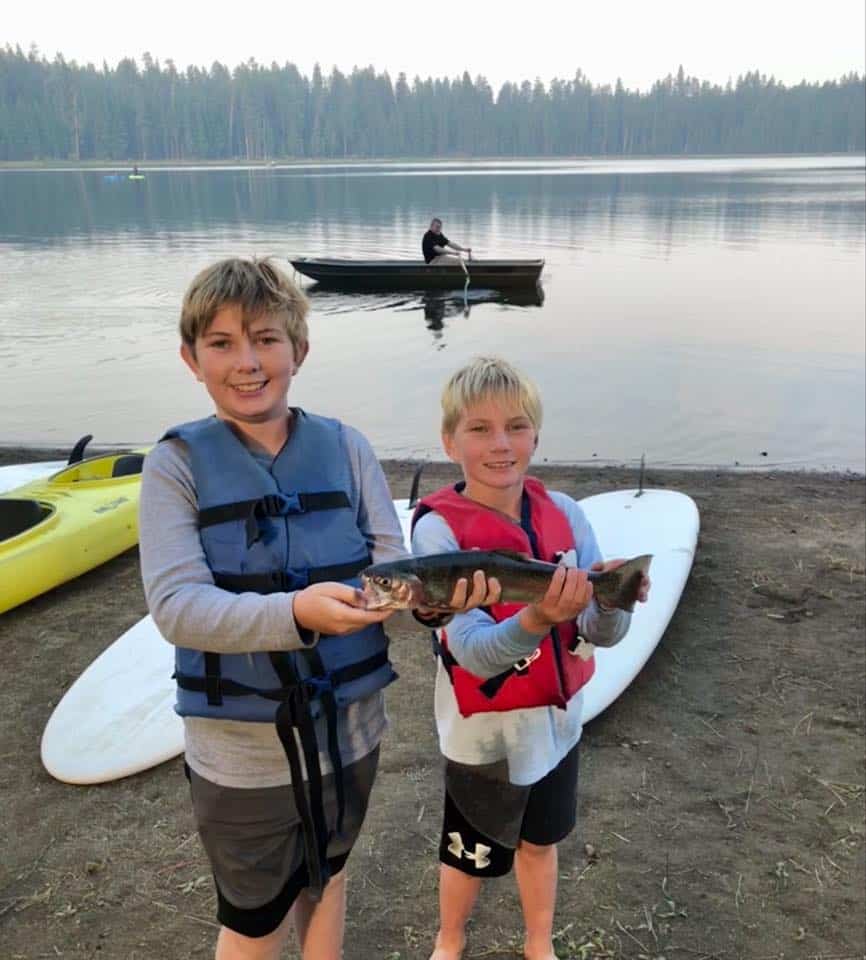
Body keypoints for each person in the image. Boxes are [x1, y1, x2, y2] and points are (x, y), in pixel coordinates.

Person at [139, 257, 409, 960]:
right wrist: (295, 613)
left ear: (300, 349)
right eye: (222, 343)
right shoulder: (174, 465)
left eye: (265, 338)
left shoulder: (347, 447)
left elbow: (391, 567)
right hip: (241, 756)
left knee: (331, 876)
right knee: (256, 921)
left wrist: (434, 606)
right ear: (190, 359)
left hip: (351, 731)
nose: (247, 361)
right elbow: (176, 606)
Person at [410, 356, 650, 960]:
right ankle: (449, 940)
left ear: (536, 437)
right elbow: (471, 654)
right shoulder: (438, 538)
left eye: (516, 427)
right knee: (468, 850)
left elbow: (603, 631)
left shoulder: (565, 515)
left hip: (556, 725)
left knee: (541, 843)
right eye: (480, 429)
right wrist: (538, 618)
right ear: (449, 440)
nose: (501, 443)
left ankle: (538, 943)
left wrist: (614, 600)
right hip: (479, 736)